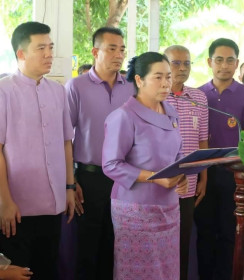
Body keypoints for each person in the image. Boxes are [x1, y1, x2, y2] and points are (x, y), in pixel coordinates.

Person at [102, 52, 188, 280]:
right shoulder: (123, 116)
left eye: (168, 77)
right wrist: (155, 177)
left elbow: (177, 152)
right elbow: (111, 165)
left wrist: (182, 176)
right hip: (135, 209)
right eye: (158, 77)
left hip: (169, 206)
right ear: (139, 80)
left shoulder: (170, 111)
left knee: (167, 270)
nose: (166, 83)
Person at [0, 21, 75, 279]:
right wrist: (5, 201)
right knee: (19, 271)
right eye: (41, 47)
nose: (49, 54)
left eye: (50, 47)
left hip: (53, 203)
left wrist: (69, 187)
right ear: (21, 54)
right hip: (16, 207)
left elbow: (66, 142)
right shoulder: (4, 90)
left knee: (47, 269)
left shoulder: (57, 91)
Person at [65, 27, 135, 280]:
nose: (119, 54)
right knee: (87, 248)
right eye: (112, 48)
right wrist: (71, 182)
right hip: (89, 178)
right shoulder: (77, 86)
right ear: (95, 52)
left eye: (122, 49)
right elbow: (65, 137)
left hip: (125, 179)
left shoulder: (131, 88)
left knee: (117, 246)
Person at [194, 38, 244, 280]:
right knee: (205, 232)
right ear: (209, 62)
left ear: (237, 63)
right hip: (203, 174)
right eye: (219, 60)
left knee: (229, 234)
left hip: (234, 175)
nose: (224, 65)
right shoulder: (198, 94)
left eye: (230, 60)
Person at [164, 45, 209, 280]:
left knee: (183, 243)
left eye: (187, 63)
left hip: (189, 187)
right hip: (160, 186)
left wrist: (204, 177)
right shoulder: (156, 96)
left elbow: (203, 142)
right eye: (176, 63)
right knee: (161, 245)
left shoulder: (200, 98)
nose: (182, 68)